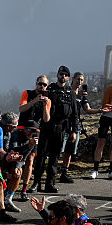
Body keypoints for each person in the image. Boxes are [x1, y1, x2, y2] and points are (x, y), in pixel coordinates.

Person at [33, 65, 79, 193]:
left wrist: (74, 131)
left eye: (65, 75)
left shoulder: (71, 93)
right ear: (57, 75)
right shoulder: (50, 89)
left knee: (54, 157)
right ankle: (36, 183)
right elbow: (40, 105)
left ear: (68, 77)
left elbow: (74, 114)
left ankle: (50, 184)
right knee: (41, 156)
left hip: (61, 128)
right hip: (47, 126)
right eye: (60, 74)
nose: (62, 76)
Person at [61, 70, 97, 179]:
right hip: (63, 124)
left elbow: (88, 109)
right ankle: (52, 172)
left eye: (82, 80)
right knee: (59, 149)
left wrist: (101, 110)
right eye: (78, 79)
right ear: (73, 79)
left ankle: (64, 172)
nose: (80, 82)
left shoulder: (82, 96)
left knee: (70, 150)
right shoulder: (66, 90)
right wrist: (76, 96)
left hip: (75, 125)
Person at [1, 118, 38, 209]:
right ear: (24, 129)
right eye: (28, 130)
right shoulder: (16, 134)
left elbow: (24, 157)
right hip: (5, 157)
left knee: (18, 172)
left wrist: (17, 166)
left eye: (33, 130)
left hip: (16, 160)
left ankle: (8, 198)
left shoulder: (34, 138)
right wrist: (29, 145)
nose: (30, 133)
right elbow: (13, 150)